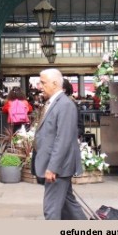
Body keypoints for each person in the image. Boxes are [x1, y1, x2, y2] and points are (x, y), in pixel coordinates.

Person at [31, 68, 86, 220]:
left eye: (43, 82)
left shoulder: (65, 105)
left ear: (55, 83)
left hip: (58, 168)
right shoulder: (54, 102)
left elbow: (64, 139)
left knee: (51, 211)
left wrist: (53, 167)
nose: (39, 86)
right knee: (70, 207)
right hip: (56, 166)